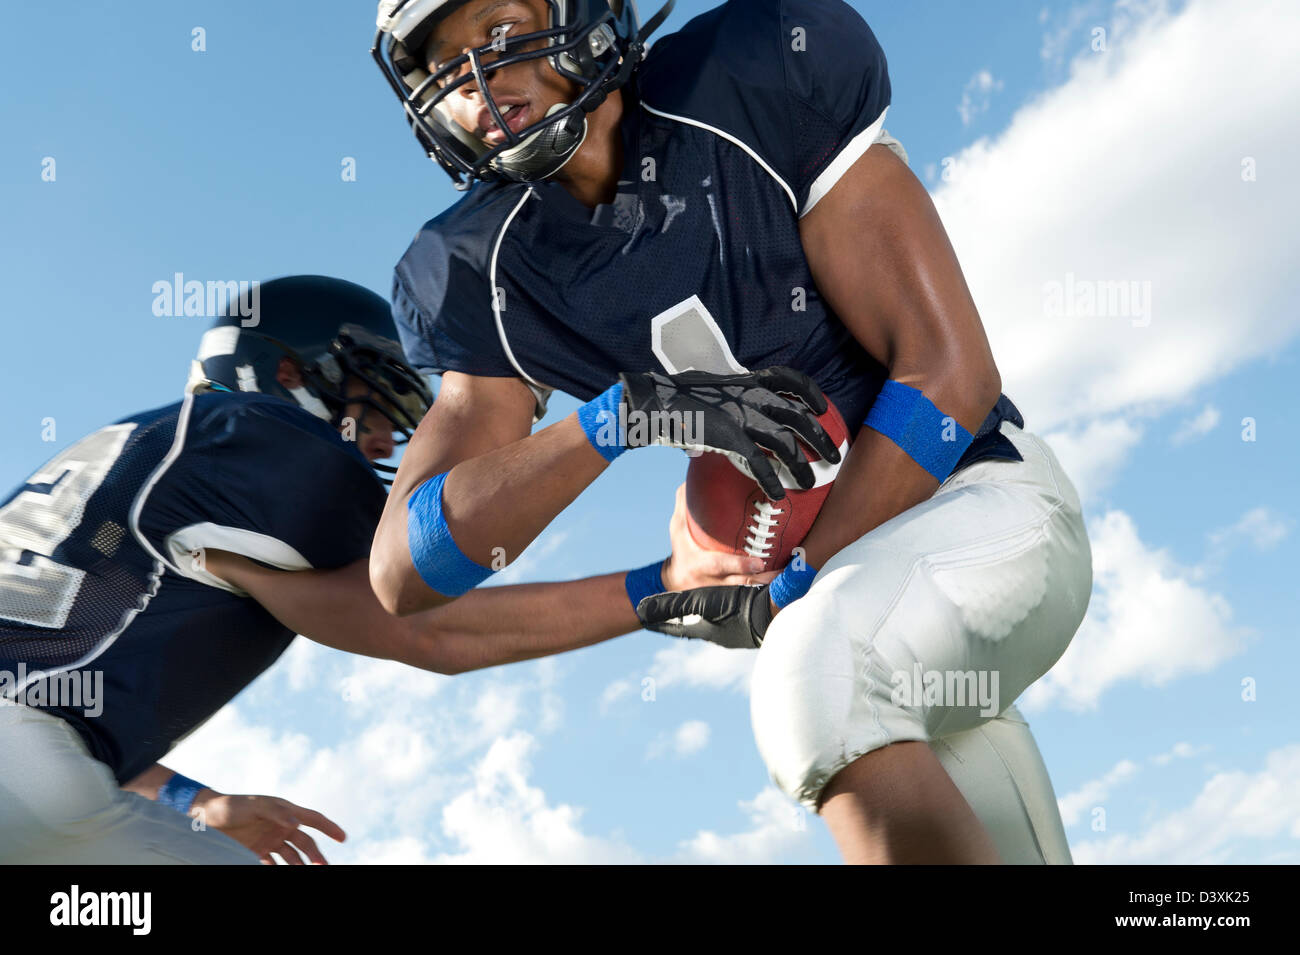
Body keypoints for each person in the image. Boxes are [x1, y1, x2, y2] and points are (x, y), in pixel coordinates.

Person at [370, 0, 1093, 863]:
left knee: (821, 677)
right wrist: (625, 415)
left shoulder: (750, 78)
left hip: (981, 499)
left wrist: (793, 583)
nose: (476, 83)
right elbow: (405, 572)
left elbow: (951, 373)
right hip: (867, 599)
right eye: (444, 66)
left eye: (496, 30)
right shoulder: (479, 265)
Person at [0, 274, 749, 864]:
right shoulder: (261, 437)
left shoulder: (134, 450)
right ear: (289, 370)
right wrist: (661, 583)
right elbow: (429, 630)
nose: (388, 436)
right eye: (379, 401)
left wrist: (196, 799)